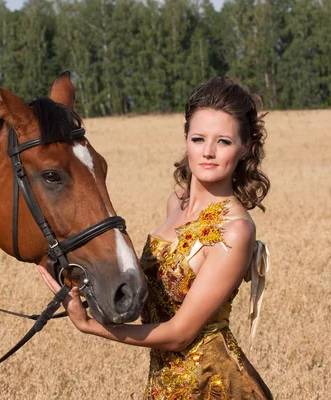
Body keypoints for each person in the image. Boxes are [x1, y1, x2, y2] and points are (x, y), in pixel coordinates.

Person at [38, 76, 273, 399]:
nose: (207, 152)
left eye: (224, 142)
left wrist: (90, 325)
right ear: (186, 138)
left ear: (245, 147)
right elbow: (155, 293)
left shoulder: (235, 230)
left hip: (213, 386)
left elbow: (179, 334)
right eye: (198, 138)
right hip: (163, 384)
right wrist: (85, 285)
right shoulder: (176, 201)